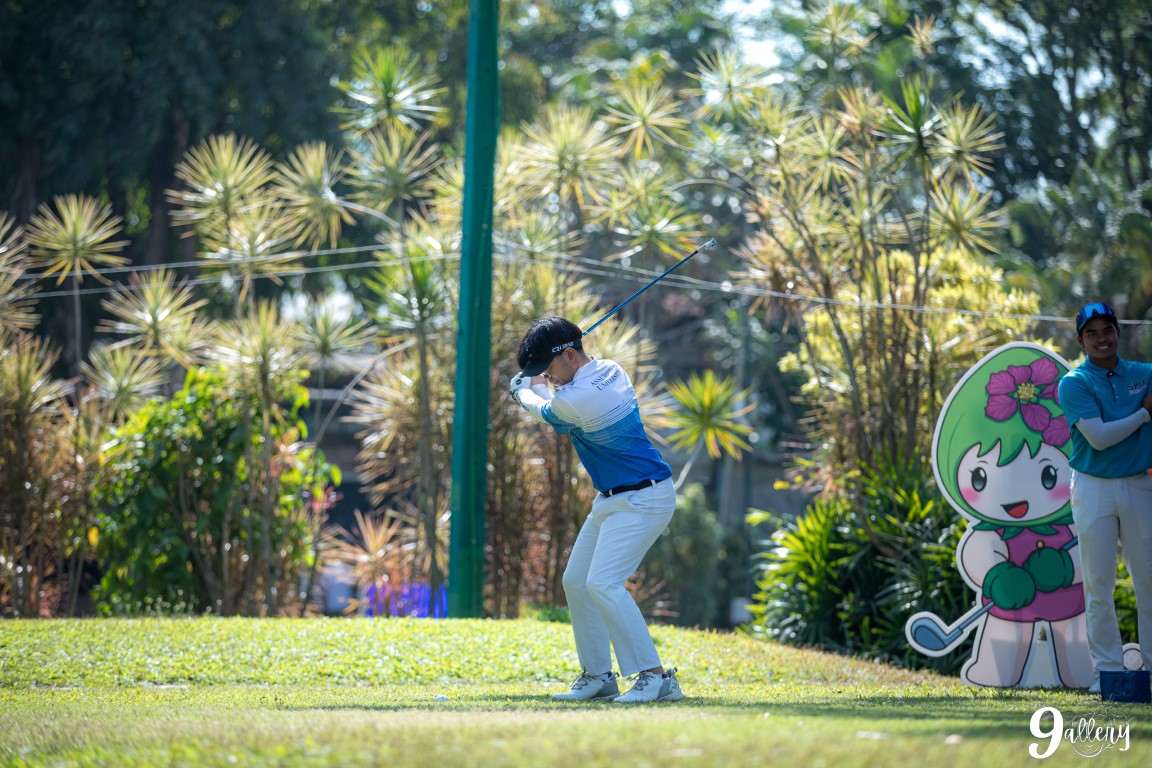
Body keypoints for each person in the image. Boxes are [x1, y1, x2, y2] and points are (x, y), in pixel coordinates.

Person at [508, 316, 683, 703]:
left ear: (570, 355)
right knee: (577, 582)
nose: (548, 376)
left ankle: (657, 678)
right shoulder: (611, 370)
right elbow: (555, 391)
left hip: (644, 499)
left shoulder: (577, 399)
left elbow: (546, 411)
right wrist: (537, 379)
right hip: (613, 499)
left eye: (549, 367)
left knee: (603, 583)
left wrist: (521, 390)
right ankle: (599, 677)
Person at [1057, 301, 1152, 692]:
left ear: (1118, 332)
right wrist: (1144, 414)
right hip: (1093, 485)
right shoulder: (1074, 382)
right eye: (1092, 333)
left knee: (1149, 580)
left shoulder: (1144, 374)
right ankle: (1108, 674)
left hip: (1139, 485)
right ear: (1081, 341)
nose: (1101, 338)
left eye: (1107, 330)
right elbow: (1098, 438)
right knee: (1099, 584)